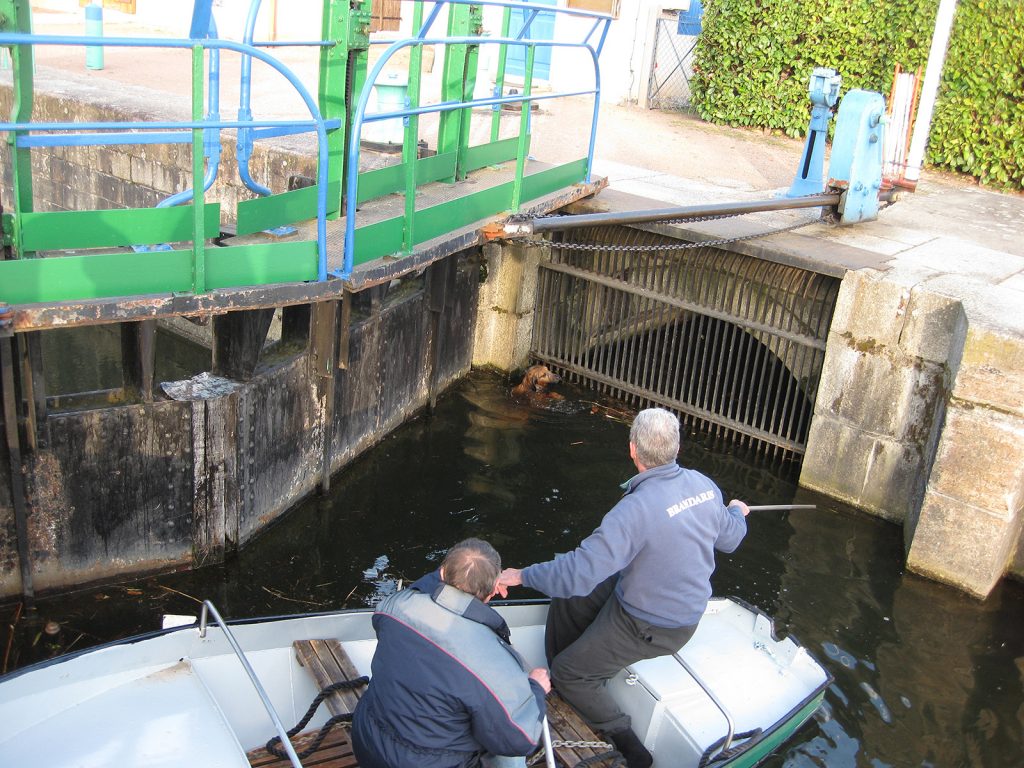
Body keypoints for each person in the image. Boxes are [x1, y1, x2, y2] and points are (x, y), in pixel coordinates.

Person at [497, 407, 749, 768]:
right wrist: (737, 511)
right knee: (571, 596)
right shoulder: (704, 487)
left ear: (633, 450)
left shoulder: (633, 511)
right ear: (676, 448)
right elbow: (732, 537)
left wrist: (520, 575)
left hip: (654, 623)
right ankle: (569, 679)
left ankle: (632, 750)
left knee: (571, 670)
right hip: (649, 596)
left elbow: (578, 571)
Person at [351, 538, 551, 768]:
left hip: (368, 744)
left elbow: (423, 589)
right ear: (491, 593)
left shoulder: (394, 607)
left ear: (442, 573)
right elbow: (518, 741)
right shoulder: (490, 661)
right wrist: (536, 688)